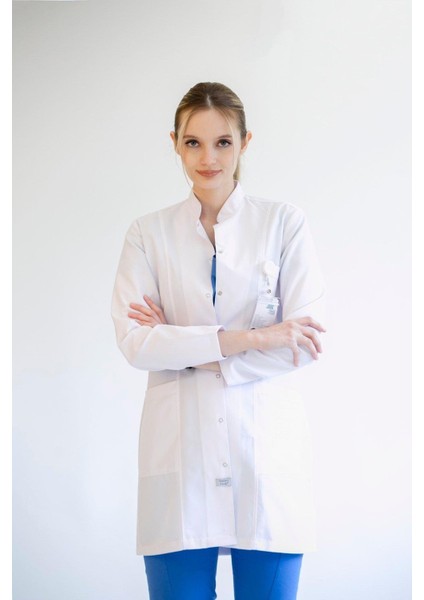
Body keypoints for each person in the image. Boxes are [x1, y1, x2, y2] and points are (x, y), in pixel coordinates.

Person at [111, 82, 326, 600]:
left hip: (264, 455)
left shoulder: (284, 224)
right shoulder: (148, 234)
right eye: (193, 142)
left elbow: (303, 342)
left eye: (223, 142)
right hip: (180, 462)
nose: (208, 158)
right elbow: (137, 343)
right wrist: (254, 337)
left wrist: (184, 348)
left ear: (245, 142)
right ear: (175, 143)